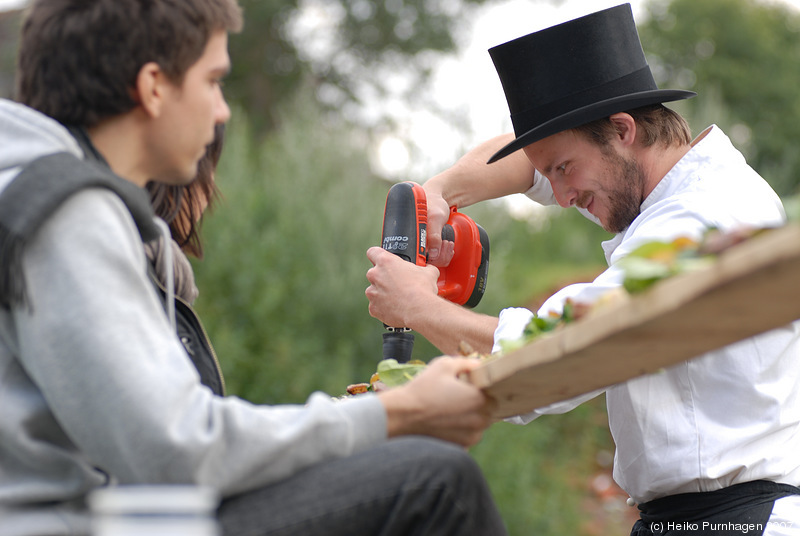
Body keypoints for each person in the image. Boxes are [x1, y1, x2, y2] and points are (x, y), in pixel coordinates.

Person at [0, 1, 506, 535]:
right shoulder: (66, 211)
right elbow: (176, 451)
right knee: (435, 483)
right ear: (153, 87)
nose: (222, 111)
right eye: (213, 81)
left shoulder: (33, 192)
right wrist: (395, 416)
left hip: (108, 514)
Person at [365, 4, 800, 534]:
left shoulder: (700, 219)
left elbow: (570, 346)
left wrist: (419, 306)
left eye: (564, 170)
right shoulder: (672, 185)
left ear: (622, 130)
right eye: (552, 174)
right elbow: (526, 163)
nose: (563, 195)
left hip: (738, 521)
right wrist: (437, 193)